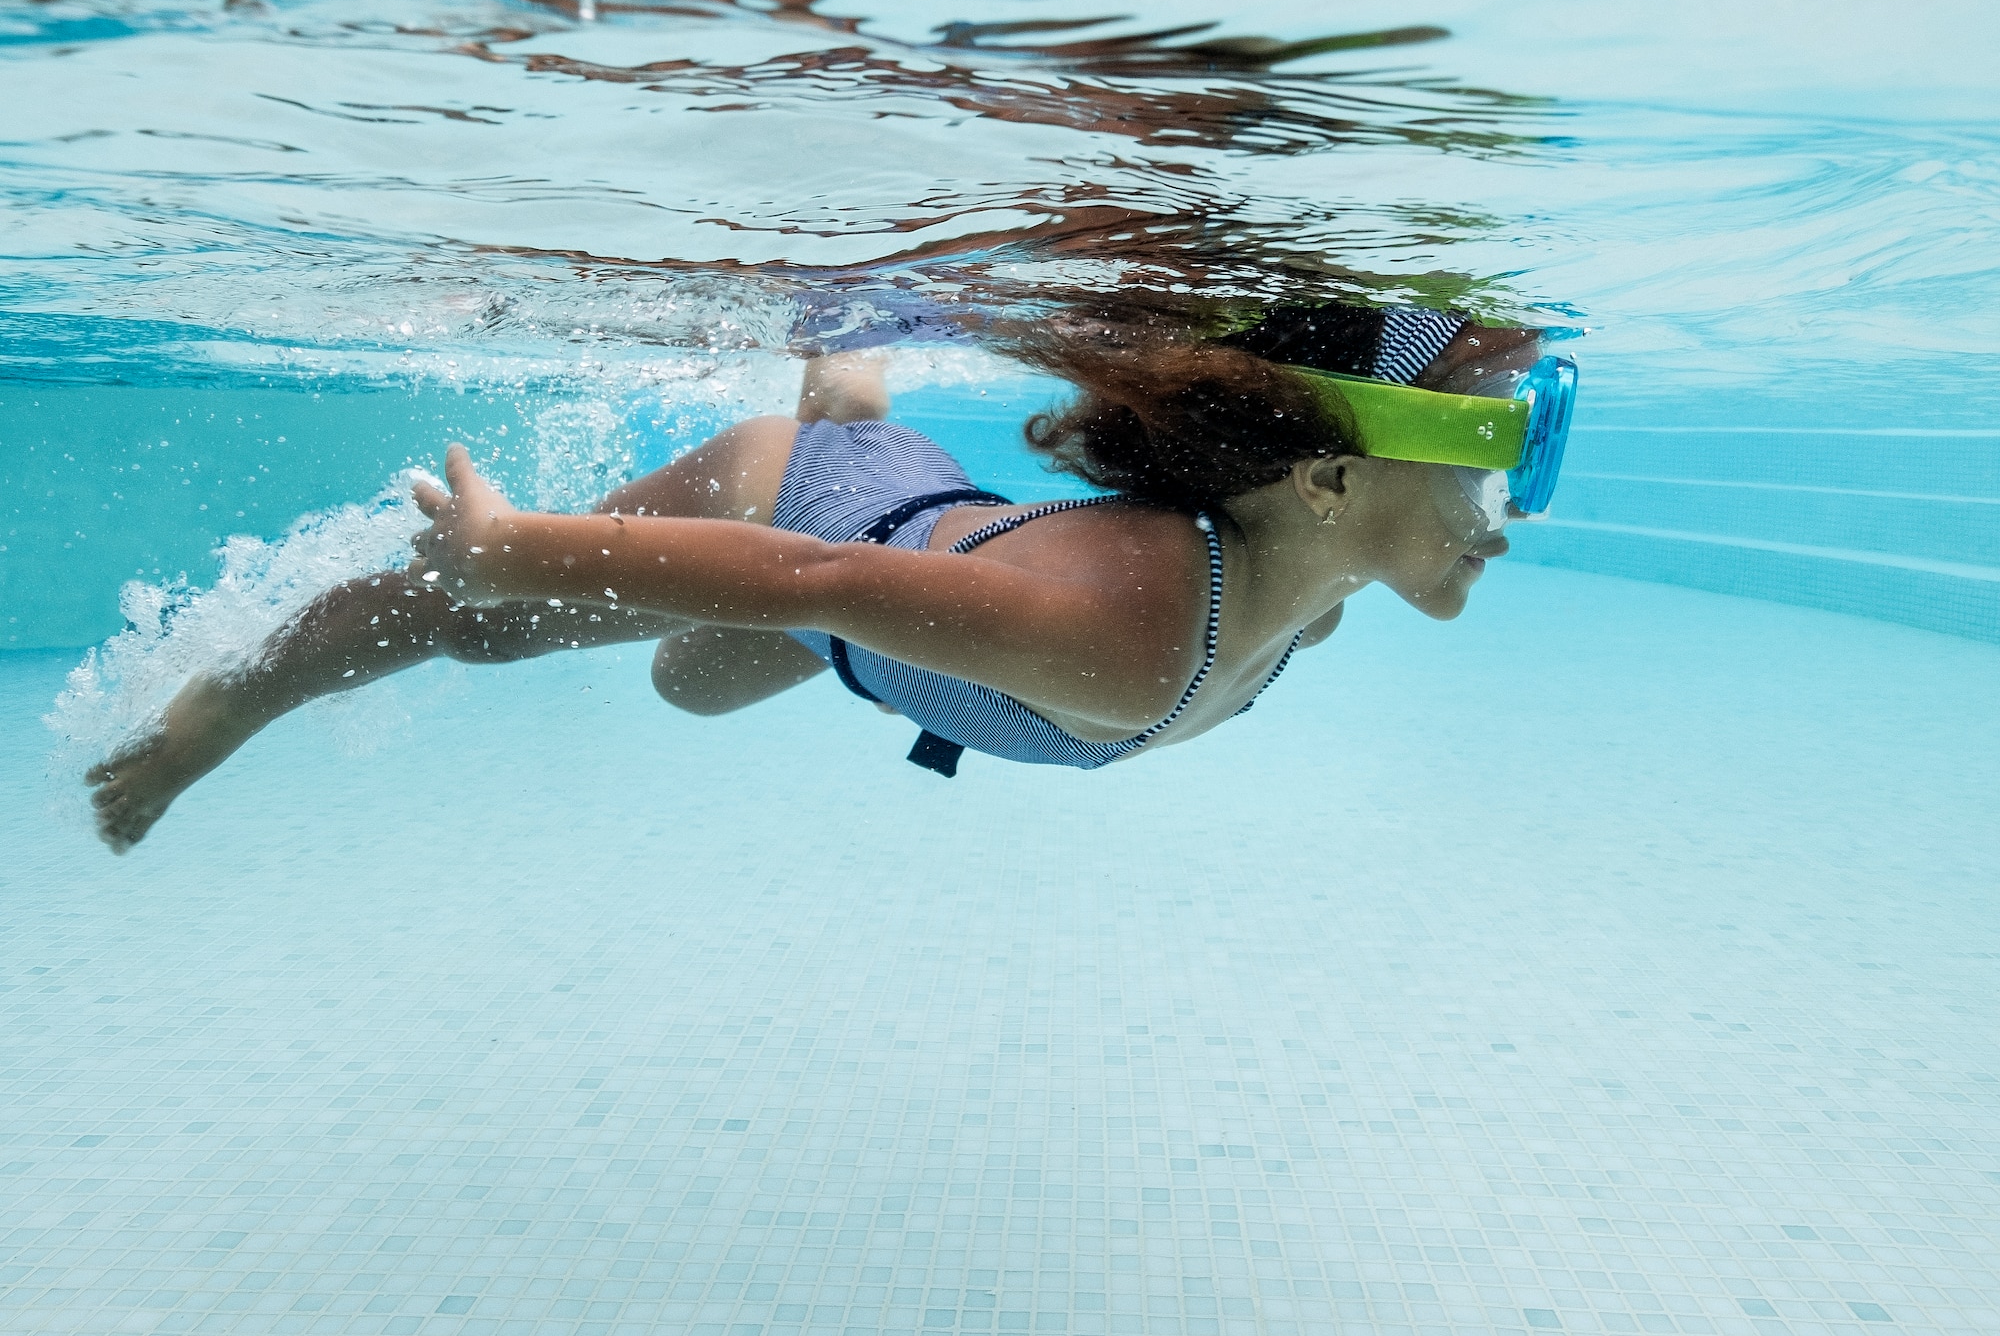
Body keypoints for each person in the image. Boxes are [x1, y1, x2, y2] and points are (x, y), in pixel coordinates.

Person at [86, 301, 1574, 850]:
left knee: (690, 679)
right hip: (808, 514)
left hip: (917, 564)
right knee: (488, 635)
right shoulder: (1132, 628)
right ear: (1321, 476)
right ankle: (227, 707)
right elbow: (803, 574)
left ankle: (852, 325)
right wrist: (507, 549)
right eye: (1487, 462)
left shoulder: (1301, 593)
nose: (1509, 512)